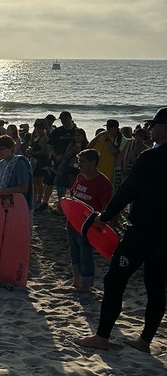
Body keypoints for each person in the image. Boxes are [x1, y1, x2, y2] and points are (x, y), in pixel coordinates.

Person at [74, 107, 167, 354]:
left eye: (154, 125)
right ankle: (144, 342)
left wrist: (104, 217)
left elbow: (128, 190)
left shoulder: (150, 158)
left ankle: (102, 337)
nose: (150, 128)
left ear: (165, 128)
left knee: (114, 280)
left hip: (141, 233)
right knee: (156, 287)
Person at [65, 148, 112, 292]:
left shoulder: (103, 183)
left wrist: (102, 226)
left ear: (93, 162)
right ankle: (76, 281)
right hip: (72, 222)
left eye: (83, 162)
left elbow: (107, 208)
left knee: (86, 254)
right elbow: (73, 195)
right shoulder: (80, 176)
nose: (79, 165)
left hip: (88, 226)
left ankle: (87, 286)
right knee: (74, 252)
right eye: (79, 161)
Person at [36, 111, 77, 212]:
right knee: (50, 181)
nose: (64, 121)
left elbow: (81, 143)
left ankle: (69, 204)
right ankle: (45, 202)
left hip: (71, 160)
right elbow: (50, 145)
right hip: (56, 159)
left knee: (71, 182)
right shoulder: (58, 131)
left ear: (70, 118)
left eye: (65, 119)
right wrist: (55, 155)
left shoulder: (76, 131)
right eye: (62, 120)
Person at [0, 135, 34, 222]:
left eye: (2, 149)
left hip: (19, 203)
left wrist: (1, 190)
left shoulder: (19, 163)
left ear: (11, 148)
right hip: (4, 203)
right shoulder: (0, 164)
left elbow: (24, 188)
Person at [87, 119, 129, 192]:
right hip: (100, 166)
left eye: (110, 128)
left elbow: (112, 151)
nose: (108, 130)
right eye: (107, 127)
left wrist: (107, 140)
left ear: (116, 128)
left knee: (112, 191)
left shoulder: (121, 139)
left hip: (115, 169)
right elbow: (89, 146)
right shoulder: (102, 136)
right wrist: (98, 135)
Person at [26, 119, 49, 210]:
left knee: (39, 181)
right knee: (34, 181)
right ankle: (35, 198)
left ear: (43, 128)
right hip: (34, 160)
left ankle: (39, 199)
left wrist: (33, 153)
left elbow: (44, 151)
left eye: (39, 128)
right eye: (36, 127)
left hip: (40, 161)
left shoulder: (43, 138)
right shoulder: (35, 136)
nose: (37, 129)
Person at [62, 128, 89, 193]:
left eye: (79, 135)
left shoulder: (86, 145)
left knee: (82, 187)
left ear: (83, 136)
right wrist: (73, 150)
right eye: (75, 135)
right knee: (72, 186)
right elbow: (65, 157)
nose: (77, 137)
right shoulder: (71, 144)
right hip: (72, 168)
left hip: (82, 169)